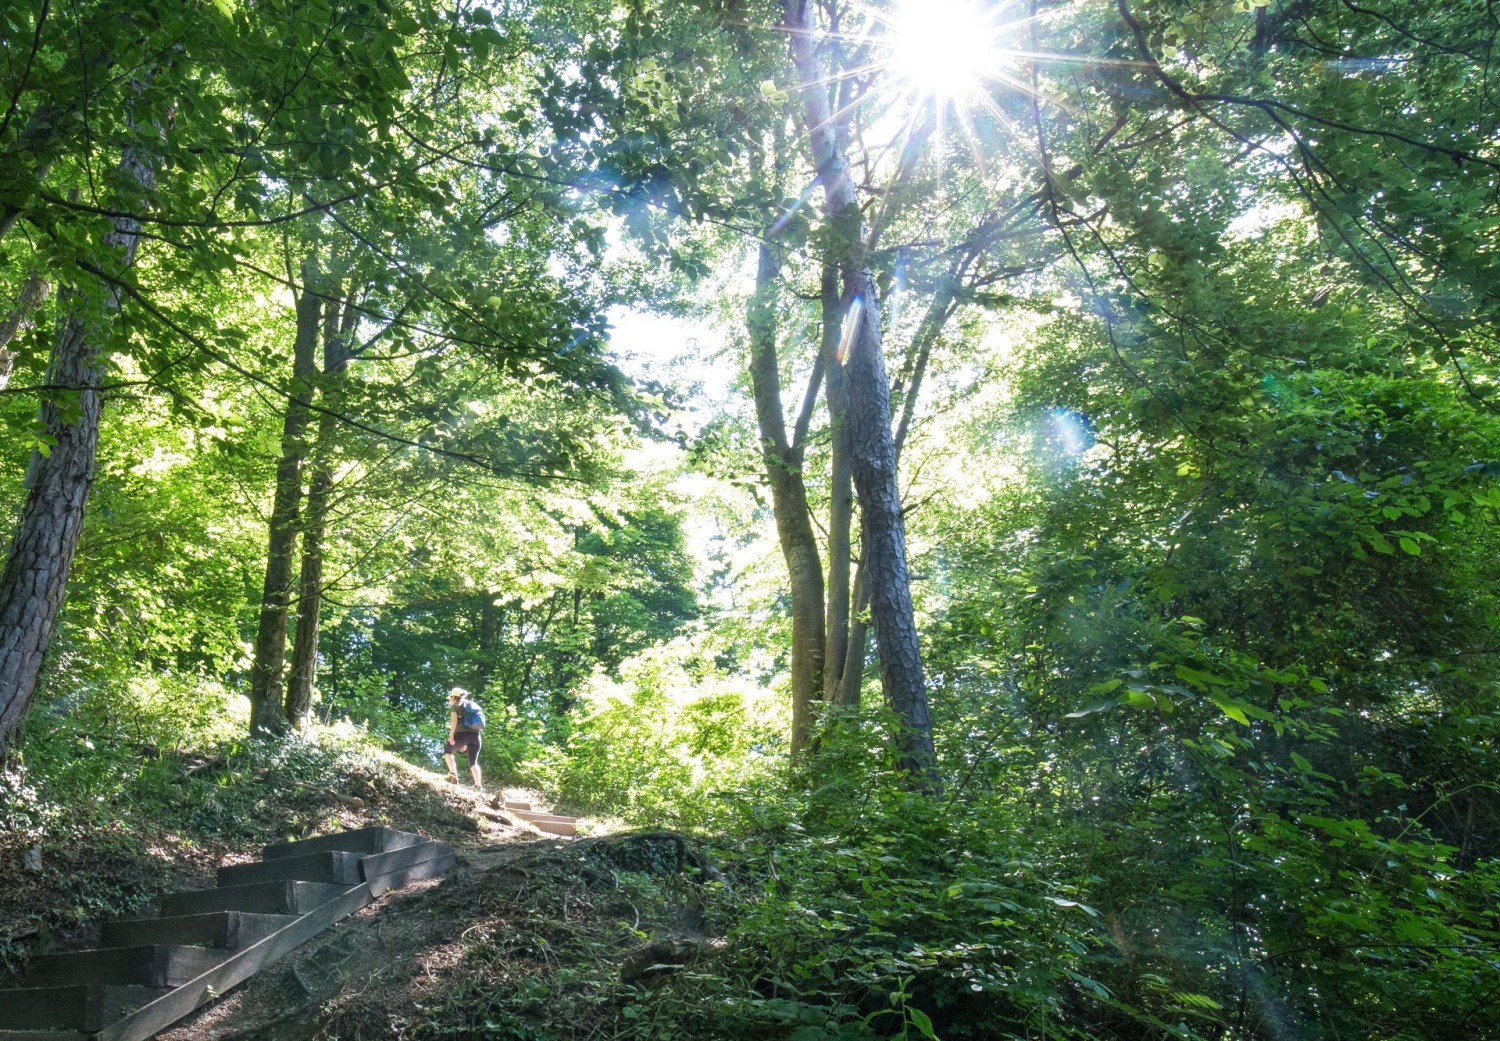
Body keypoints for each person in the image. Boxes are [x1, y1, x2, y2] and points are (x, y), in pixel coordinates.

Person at [442, 686, 484, 790]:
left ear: (453, 697)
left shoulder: (455, 707)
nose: (449, 701)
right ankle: (478, 786)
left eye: (449, 699)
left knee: (448, 752)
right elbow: (469, 724)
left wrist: (451, 735)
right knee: (473, 763)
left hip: (462, 735)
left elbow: (454, 722)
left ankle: (453, 775)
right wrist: (465, 743)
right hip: (476, 736)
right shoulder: (469, 705)